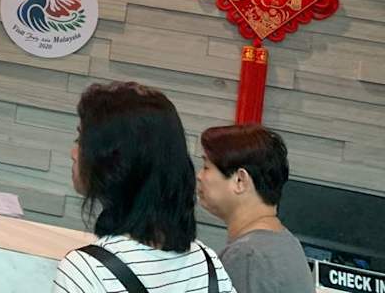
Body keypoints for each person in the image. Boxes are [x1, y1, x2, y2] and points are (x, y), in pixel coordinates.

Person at [54, 81, 233, 293]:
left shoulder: (86, 271)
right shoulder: (209, 265)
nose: (73, 153)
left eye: (80, 140)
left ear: (115, 162)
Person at [197, 125, 313, 293]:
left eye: (206, 167)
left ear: (240, 180)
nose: (199, 176)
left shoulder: (247, 257)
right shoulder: (287, 244)